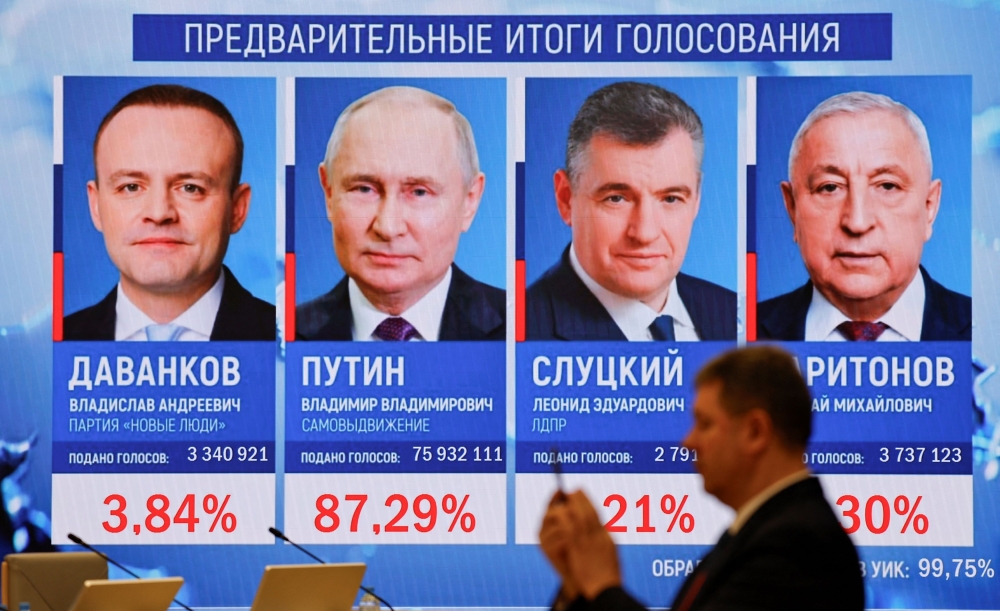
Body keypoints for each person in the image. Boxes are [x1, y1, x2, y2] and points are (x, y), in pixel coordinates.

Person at [540, 346, 864, 611]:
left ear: (755, 431)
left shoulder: (796, 546)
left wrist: (602, 586)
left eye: (705, 424)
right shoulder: (763, 531)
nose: (688, 442)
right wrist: (579, 584)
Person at [64, 84, 275, 342]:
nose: (159, 212)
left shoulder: (287, 338)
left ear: (237, 209)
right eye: (131, 187)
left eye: (190, 188)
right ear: (96, 206)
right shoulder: (53, 348)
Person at [526, 82, 736, 341]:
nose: (644, 233)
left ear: (696, 199)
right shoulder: (522, 334)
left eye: (670, 199)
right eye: (616, 199)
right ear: (566, 199)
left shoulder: (734, 315)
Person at [295, 86, 504, 342]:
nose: (387, 227)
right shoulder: (280, 335)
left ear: (469, 201)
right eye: (364, 189)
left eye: (419, 192)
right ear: (329, 193)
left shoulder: (524, 330)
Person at [758, 91, 970, 341]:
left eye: (887, 186)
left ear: (929, 207)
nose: (857, 222)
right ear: (792, 208)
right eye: (830, 187)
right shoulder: (742, 339)